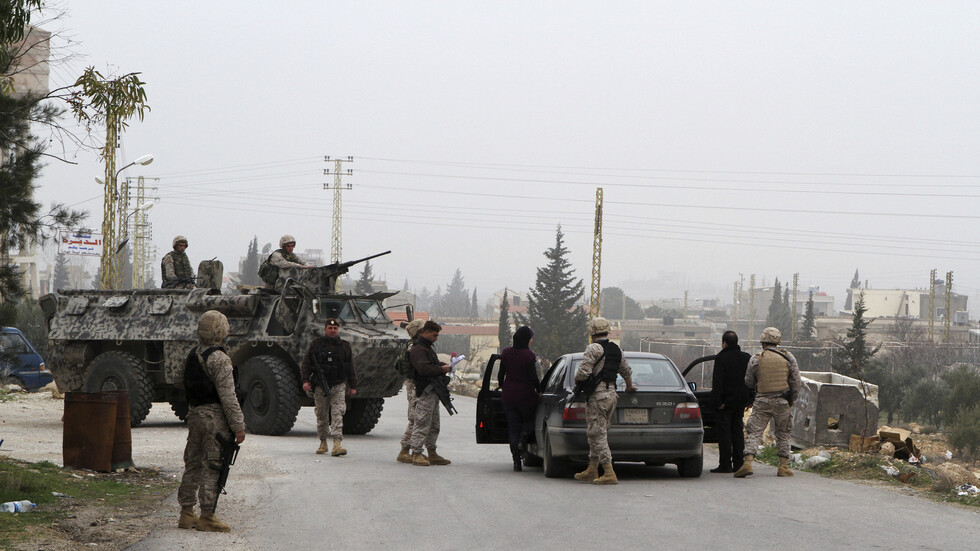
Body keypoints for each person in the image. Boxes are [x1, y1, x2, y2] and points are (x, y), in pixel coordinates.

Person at [177, 310, 246, 532]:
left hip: (195, 415)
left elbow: (180, 381)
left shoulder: (191, 355)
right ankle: (207, 515)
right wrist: (238, 426)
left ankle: (186, 513)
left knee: (193, 463)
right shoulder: (220, 358)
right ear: (220, 331)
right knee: (213, 464)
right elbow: (228, 396)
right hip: (214, 420)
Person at [573, 317, 637, 485]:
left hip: (598, 396)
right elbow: (626, 370)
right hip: (611, 395)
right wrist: (629, 387)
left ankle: (609, 471)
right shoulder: (616, 349)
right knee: (596, 432)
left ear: (592, 332)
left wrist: (576, 379)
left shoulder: (593, 348)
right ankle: (592, 469)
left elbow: (583, 373)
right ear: (607, 331)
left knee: (597, 433)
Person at [734, 327, 802, 478]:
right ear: (778, 341)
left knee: (755, 431)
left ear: (763, 342)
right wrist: (793, 398)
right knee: (783, 432)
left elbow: (748, 381)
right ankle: (783, 466)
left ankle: (748, 463)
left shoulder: (756, 358)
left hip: (762, 400)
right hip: (783, 400)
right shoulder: (788, 357)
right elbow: (796, 380)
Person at [300, 318, 358, 456]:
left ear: (338, 330)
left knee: (337, 413)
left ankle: (337, 443)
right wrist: (305, 380)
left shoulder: (345, 346)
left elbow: (350, 366)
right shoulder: (316, 345)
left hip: (338, 384)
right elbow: (306, 364)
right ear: (325, 329)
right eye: (330, 328)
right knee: (321, 414)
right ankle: (323, 442)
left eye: (335, 329)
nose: (332, 331)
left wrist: (353, 385)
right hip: (320, 386)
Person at [408, 320, 452, 466]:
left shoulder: (427, 348)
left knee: (433, 424)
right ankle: (416, 453)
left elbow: (432, 364)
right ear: (425, 333)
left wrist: (442, 366)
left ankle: (432, 452)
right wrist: (441, 370)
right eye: (434, 335)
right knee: (422, 422)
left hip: (433, 391)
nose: (436, 338)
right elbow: (424, 369)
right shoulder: (419, 349)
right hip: (425, 391)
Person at [497, 325, 540, 472]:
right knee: (529, 422)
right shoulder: (529, 356)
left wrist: (505, 388)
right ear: (527, 339)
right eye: (531, 338)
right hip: (526, 396)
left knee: (513, 428)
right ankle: (523, 441)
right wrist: (540, 390)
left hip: (508, 397)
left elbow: (500, 376)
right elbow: (533, 378)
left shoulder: (506, 353)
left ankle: (516, 462)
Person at [709, 330, 752, 473]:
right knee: (738, 432)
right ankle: (739, 464)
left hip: (725, 403)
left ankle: (725, 464)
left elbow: (718, 382)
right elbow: (752, 381)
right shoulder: (746, 358)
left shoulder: (721, 358)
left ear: (724, 343)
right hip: (740, 402)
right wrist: (750, 399)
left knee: (724, 434)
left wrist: (717, 402)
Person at [396, 319, 426, 463]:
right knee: (415, 418)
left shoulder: (418, 346)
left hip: (416, 383)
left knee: (418, 418)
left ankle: (412, 450)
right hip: (413, 384)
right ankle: (405, 450)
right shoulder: (412, 347)